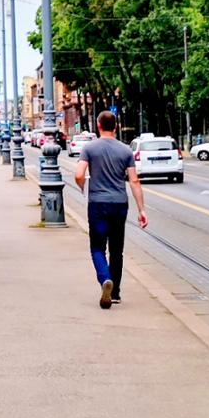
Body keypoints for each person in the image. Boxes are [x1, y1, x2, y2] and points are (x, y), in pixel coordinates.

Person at [74, 110, 146, 309]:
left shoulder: (90, 148)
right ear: (115, 126)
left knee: (97, 247)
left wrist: (83, 188)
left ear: (98, 126)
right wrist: (141, 210)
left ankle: (105, 279)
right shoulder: (125, 150)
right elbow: (134, 180)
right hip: (119, 204)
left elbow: (79, 174)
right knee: (117, 250)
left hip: (97, 204)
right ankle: (114, 293)